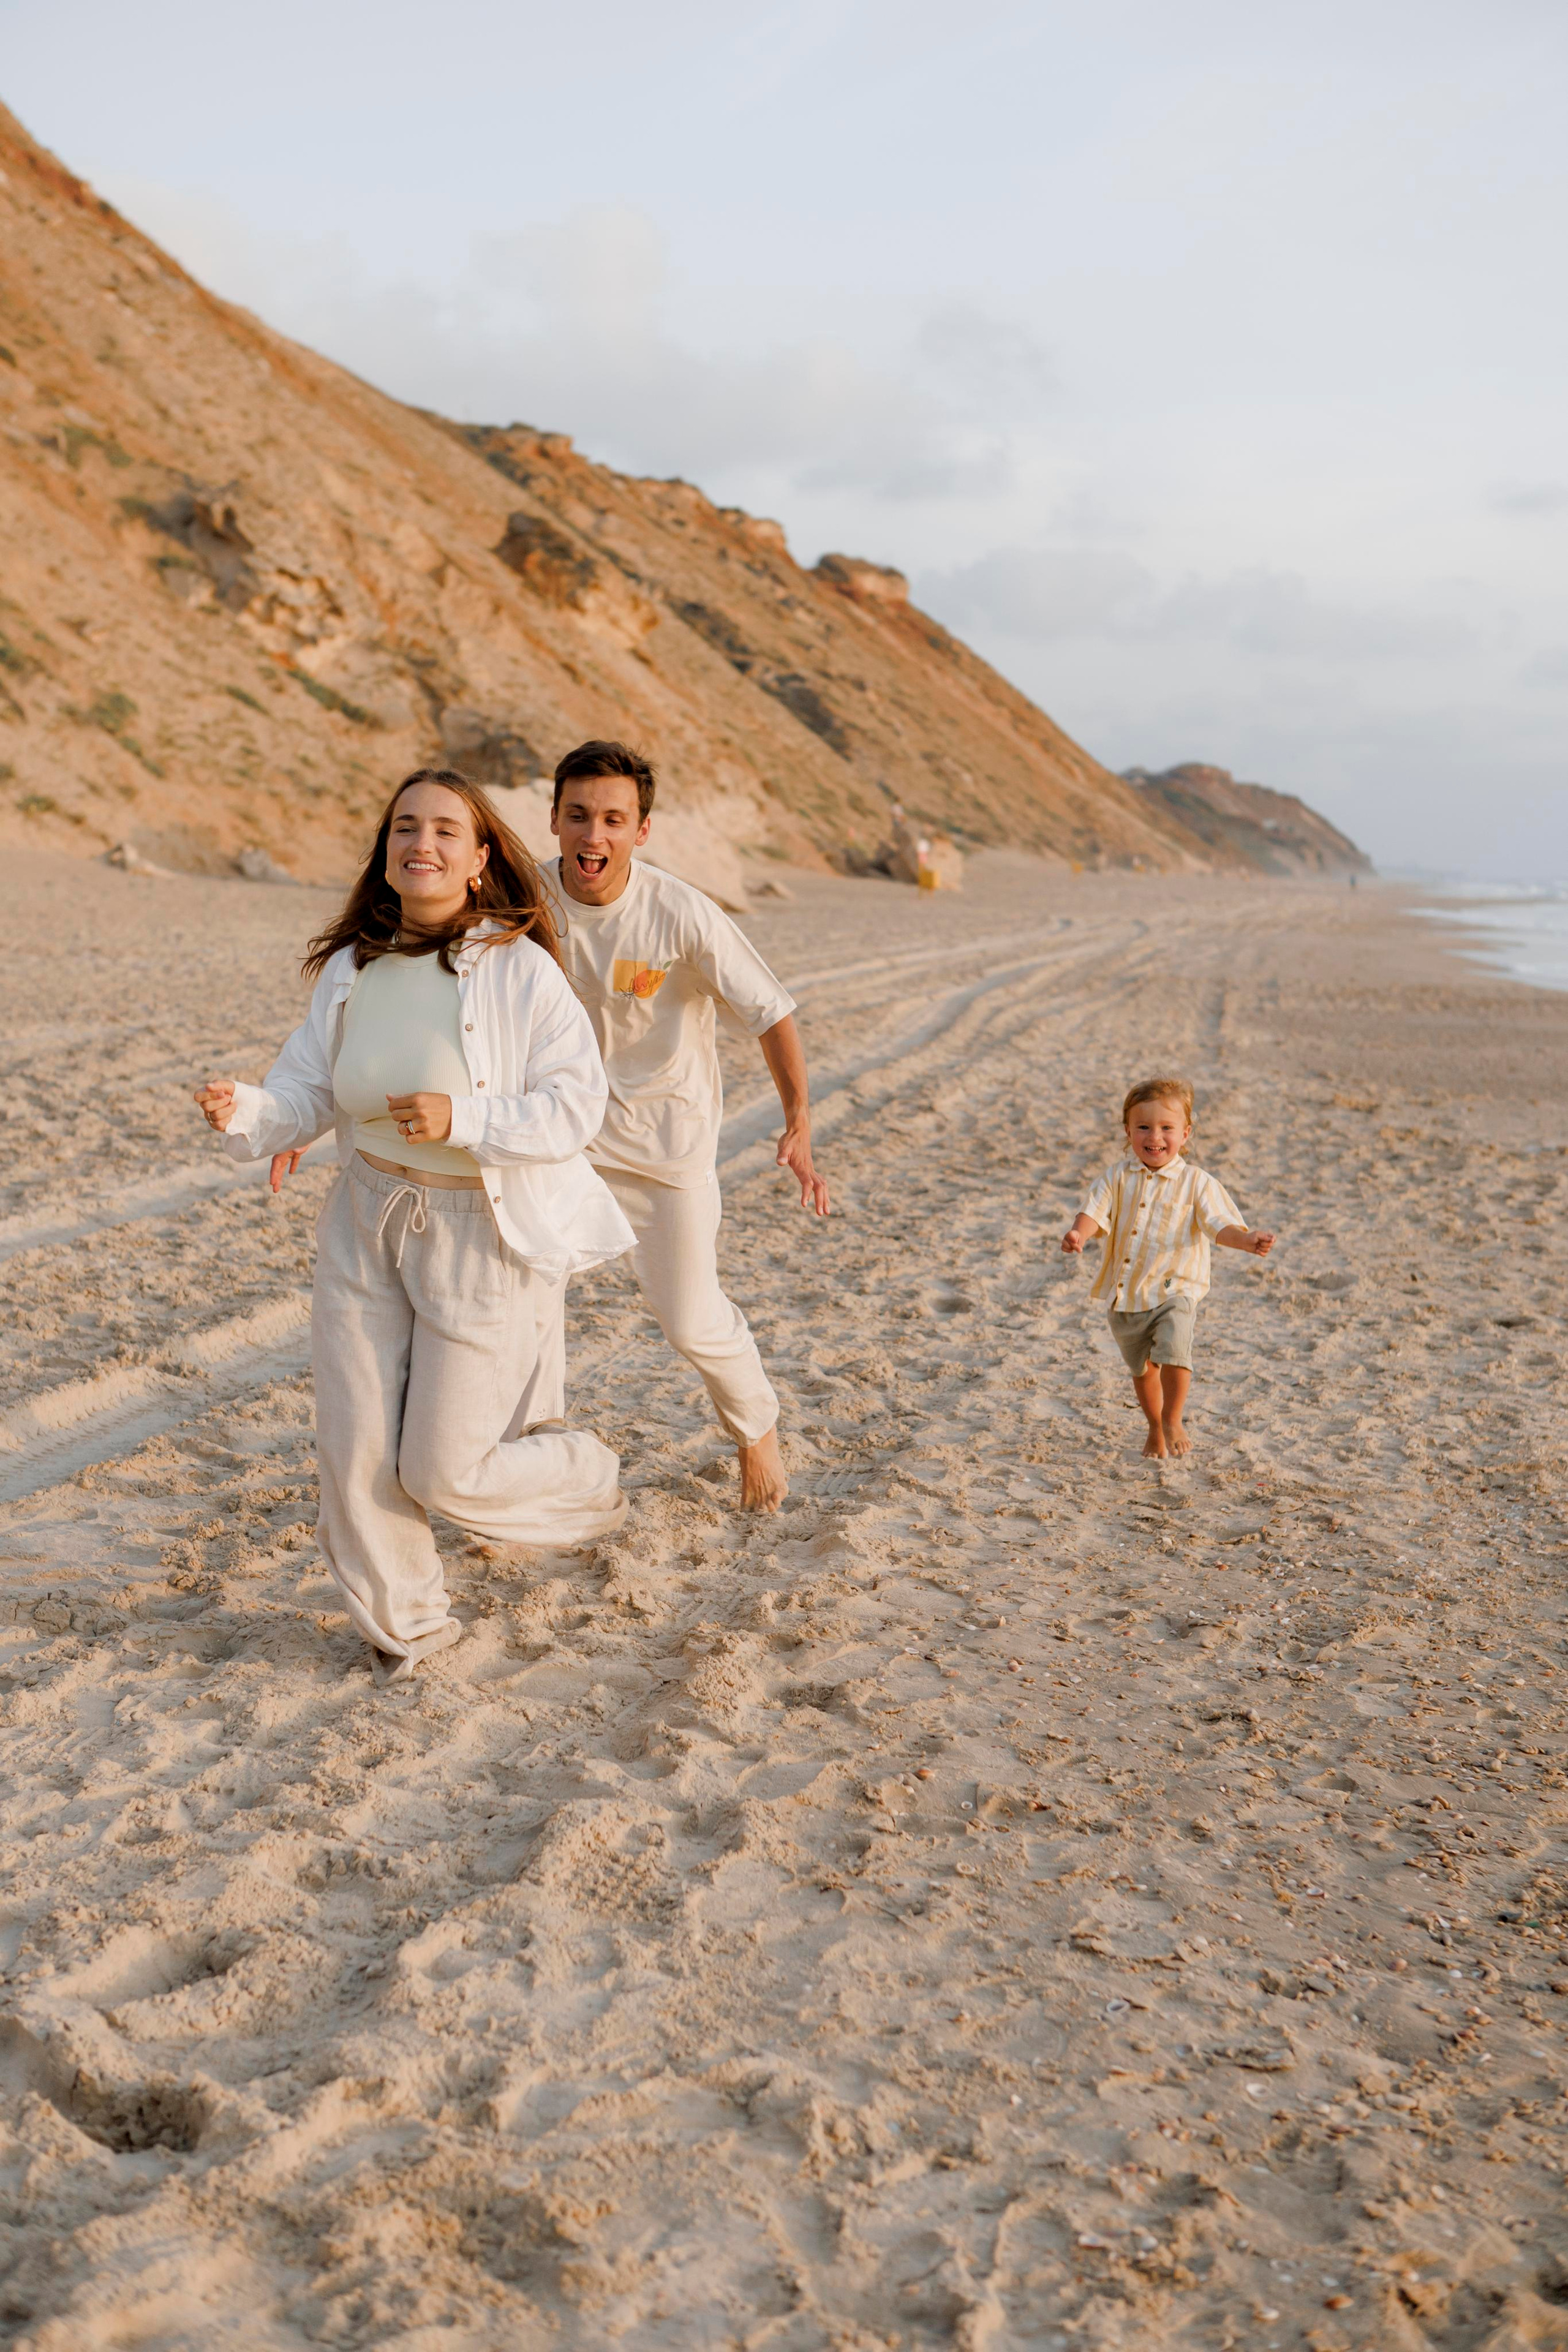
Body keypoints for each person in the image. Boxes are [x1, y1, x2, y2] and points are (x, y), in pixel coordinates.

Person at [194, 768, 633, 1683]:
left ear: (480, 861)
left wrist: (465, 1119)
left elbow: (576, 1106)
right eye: (404, 828)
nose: (419, 844)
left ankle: (583, 1471)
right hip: (365, 1217)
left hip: (481, 1234)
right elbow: (311, 1091)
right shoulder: (355, 970)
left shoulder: (520, 971)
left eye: (443, 831)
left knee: (445, 1469)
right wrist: (248, 1110)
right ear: (386, 851)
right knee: (355, 1448)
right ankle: (410, 1629)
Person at [543, 739, 828, 1512]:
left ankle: (756, 1433)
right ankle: (521, 1466)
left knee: (692, 1320)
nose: (592, 836)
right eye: (578, 816)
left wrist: (798, 1118)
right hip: (559, 1143)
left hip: (665, 1150)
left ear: (641, 831)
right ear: (554, 821)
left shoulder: (680, 912)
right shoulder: (525, 900)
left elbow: (771, 1011)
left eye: (612, 819)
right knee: (520, 1297)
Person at [1061, 1076, 1275, 1459]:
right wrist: (1079, 1233)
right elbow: (1093, 1210)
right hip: (1126, 1294)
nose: (1154, 1136)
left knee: (1176, 1349)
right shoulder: (1116, 1177)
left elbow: (1219, 1225)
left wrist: (1246, 1240)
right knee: (1143, 1371)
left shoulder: (1197, 1183)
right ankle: (1155, 1426)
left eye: (1166, 1128)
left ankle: (1174, 1418)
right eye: (1143, 1127)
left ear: (1185, 1134)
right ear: (1128, 1131)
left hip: (1177, 1289)